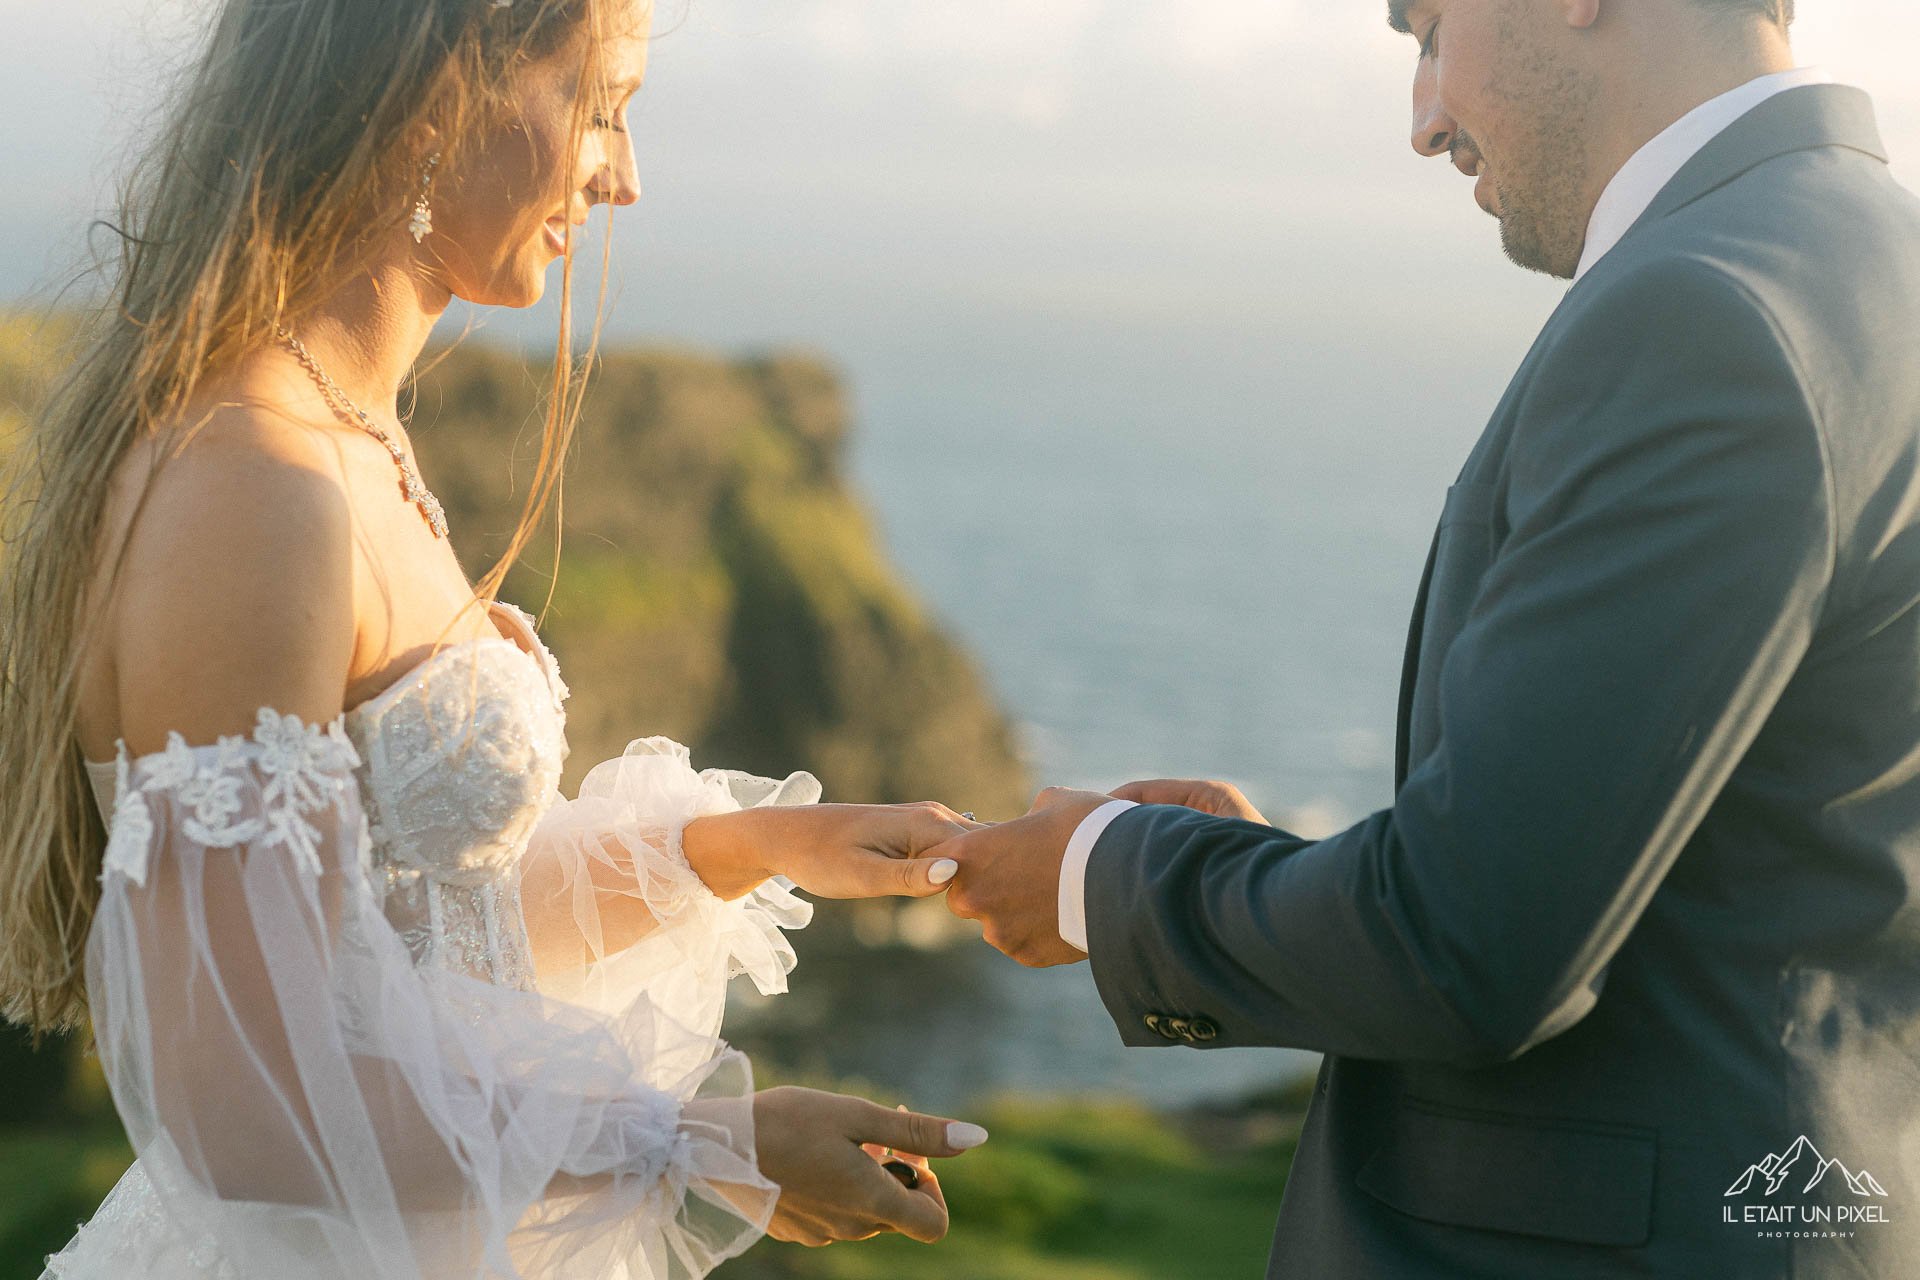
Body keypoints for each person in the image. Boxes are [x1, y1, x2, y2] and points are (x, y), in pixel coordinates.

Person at [0, 1, 988, 1276]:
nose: (625, 176)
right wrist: (690, 1142)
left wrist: (762, 844)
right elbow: (238, 1101)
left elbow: (422, 933)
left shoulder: (347, 437)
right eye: (602, 106)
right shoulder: (252, 485)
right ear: (437, 90)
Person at [934, 0, 1920, 1275]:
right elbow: (1722, 856)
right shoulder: (1874, 262)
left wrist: (1102, 871)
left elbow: (1469, 945)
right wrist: (1266, 875)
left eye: (1427, 29)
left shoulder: (1702, 310)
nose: (1424, 118)